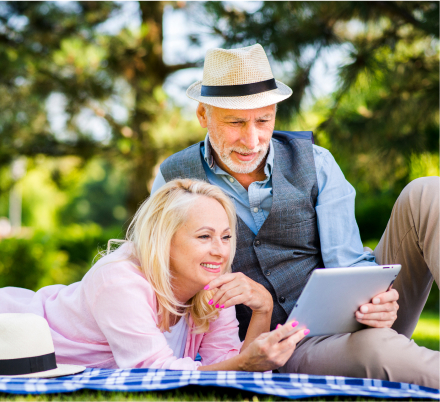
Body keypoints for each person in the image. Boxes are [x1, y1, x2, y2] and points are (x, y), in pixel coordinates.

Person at [151, 44, 439, 388]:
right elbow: (159, 279)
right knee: (376, 348)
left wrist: (379, 300)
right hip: (277, 345)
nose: (252, 139)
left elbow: (347, 263)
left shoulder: (316, 162)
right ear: (203, 115)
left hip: (358, 319)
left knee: (428, 192)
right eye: (236, 122)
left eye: (263, 120)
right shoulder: (174, 180)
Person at [0, 179, 309, 372]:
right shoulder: (120, 279)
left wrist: (261, 312)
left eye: (226, 237)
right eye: (204, 237)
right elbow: (155, 373)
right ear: (164, 240)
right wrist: (244, 363)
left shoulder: (212, 287)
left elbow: (224, 371)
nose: (221, 250)